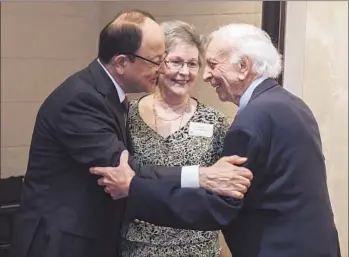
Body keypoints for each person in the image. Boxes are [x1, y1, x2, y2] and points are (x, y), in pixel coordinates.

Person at [10, 11, 253, 257]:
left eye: (192, 63)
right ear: (121, 62)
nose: (160, 70)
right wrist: (201, 176)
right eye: (157, 61)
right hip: (62, 241)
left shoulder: (111, 97)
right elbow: (123, 169)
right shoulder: (81, 99)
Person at [93, 24, 341, 257]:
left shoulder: (250, 121)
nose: (206, 75)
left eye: (209, 64)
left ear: (243, 66)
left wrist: (134, 188)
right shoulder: (290, 104)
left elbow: (218, 208)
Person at [120, 20, 228, 257]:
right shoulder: (127, 115)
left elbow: (225, 192)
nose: (184, 72)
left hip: (199, 248)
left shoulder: (215, 121)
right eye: (176, 62)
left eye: (192, 64)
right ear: (158, 64)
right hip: (138, 248)